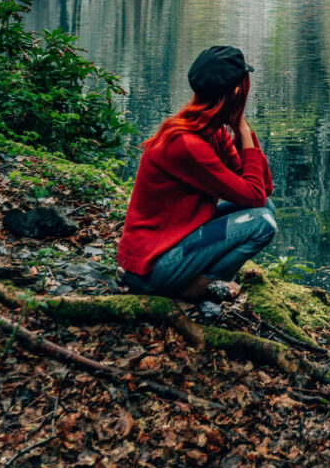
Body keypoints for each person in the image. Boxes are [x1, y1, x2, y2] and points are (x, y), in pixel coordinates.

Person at [116, 45, 276, 303]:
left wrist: (242, 133)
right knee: (262, 223)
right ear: (237, 91)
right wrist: (243, 131)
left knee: (267, 207)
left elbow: (262, 190)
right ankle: (197, 287)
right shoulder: (186, 145)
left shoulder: (213, 133)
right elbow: (254, 195)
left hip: (172, 246)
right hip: (152, 268)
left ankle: (194, 283)